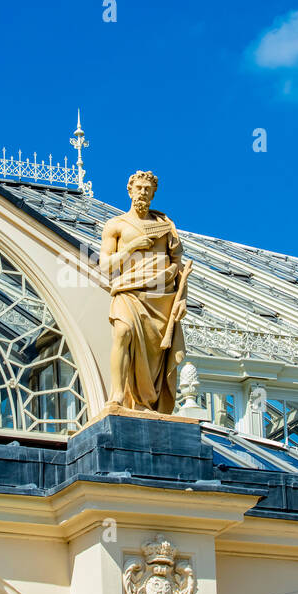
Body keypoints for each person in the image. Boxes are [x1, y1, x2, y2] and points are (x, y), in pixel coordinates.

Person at [99, 170, 188, 413]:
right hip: (127, 291)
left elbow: (178, 265)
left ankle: (146, 402)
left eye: (148, 189)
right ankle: (117, 394)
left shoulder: (165, 226)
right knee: (123, 332)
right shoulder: (116, 225)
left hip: (160, 298)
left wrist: (184, 299)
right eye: (139, 188)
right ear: (130, 190)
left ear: (153, 193)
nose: (143, 192)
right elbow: (104, 265)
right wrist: (131, 247)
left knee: (153, 358)